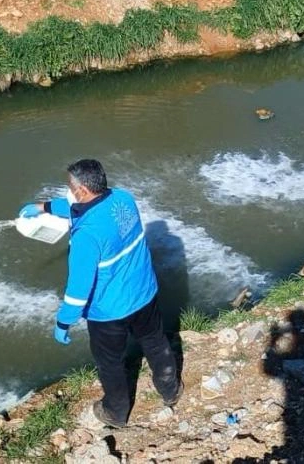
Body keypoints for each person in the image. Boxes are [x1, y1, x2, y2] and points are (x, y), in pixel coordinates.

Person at [19, 159, 182, 428]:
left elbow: (78, 291)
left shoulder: (86, 236)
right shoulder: (123, 199)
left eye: (70, 187)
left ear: (82, 190)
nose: (68, 191)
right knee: (155, 342)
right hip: (144, 292)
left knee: (111, 364)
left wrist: (63, 322)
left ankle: (115, 412)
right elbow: (76, 208)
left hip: (110, 312)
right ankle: (171, 390)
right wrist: (43, 207)